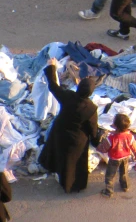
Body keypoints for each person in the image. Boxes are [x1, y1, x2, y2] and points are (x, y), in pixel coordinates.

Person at [38, 58, 99, 194]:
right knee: (73, 163)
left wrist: (51, 67)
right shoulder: (91, 108)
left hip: (60, 132)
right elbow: (92, 128)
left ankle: (54, 169)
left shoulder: (68, 96)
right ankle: (72, 185)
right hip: (78, 139)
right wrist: (96, 141)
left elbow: (53, 86)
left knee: (60, 154)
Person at [100, 113, 136, 198]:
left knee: (110, 175)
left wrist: (100, 148)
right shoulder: (130, 136)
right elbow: (135, 148)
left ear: (115, 126)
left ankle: (108, 191)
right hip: (125, 157)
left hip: (114, 159)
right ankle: (125, 186)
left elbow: (104, 148)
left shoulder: (111, 138)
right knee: (124, 173)